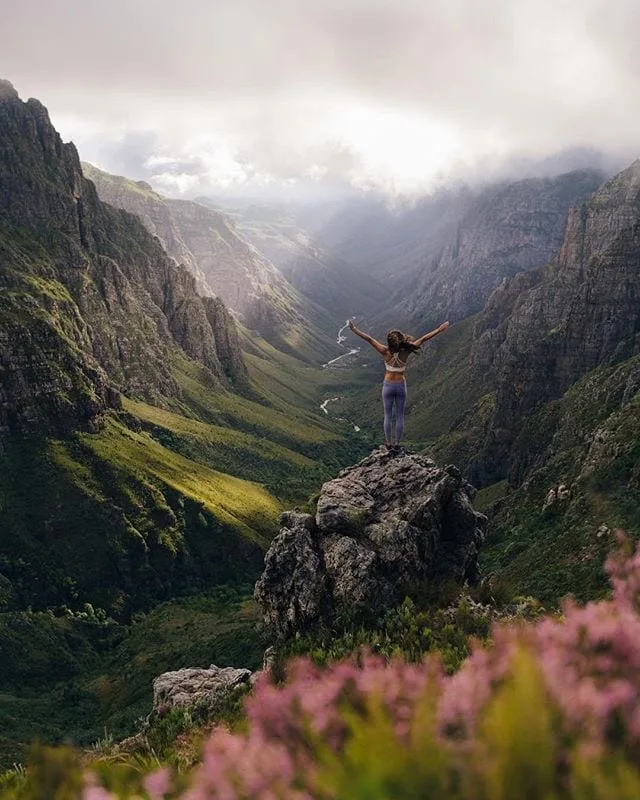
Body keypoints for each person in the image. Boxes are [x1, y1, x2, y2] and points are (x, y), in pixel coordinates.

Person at [348, 319, 450, 450]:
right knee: (400, 415)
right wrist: (439, 330)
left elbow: (369, 339)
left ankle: (389, 444)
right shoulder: (406, 351)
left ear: (389, 342)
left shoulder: (385, 351)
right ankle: (397, 445)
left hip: (388, 386)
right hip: (401, 385)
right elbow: (424, 339)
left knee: (388, 416)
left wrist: (354, 329)